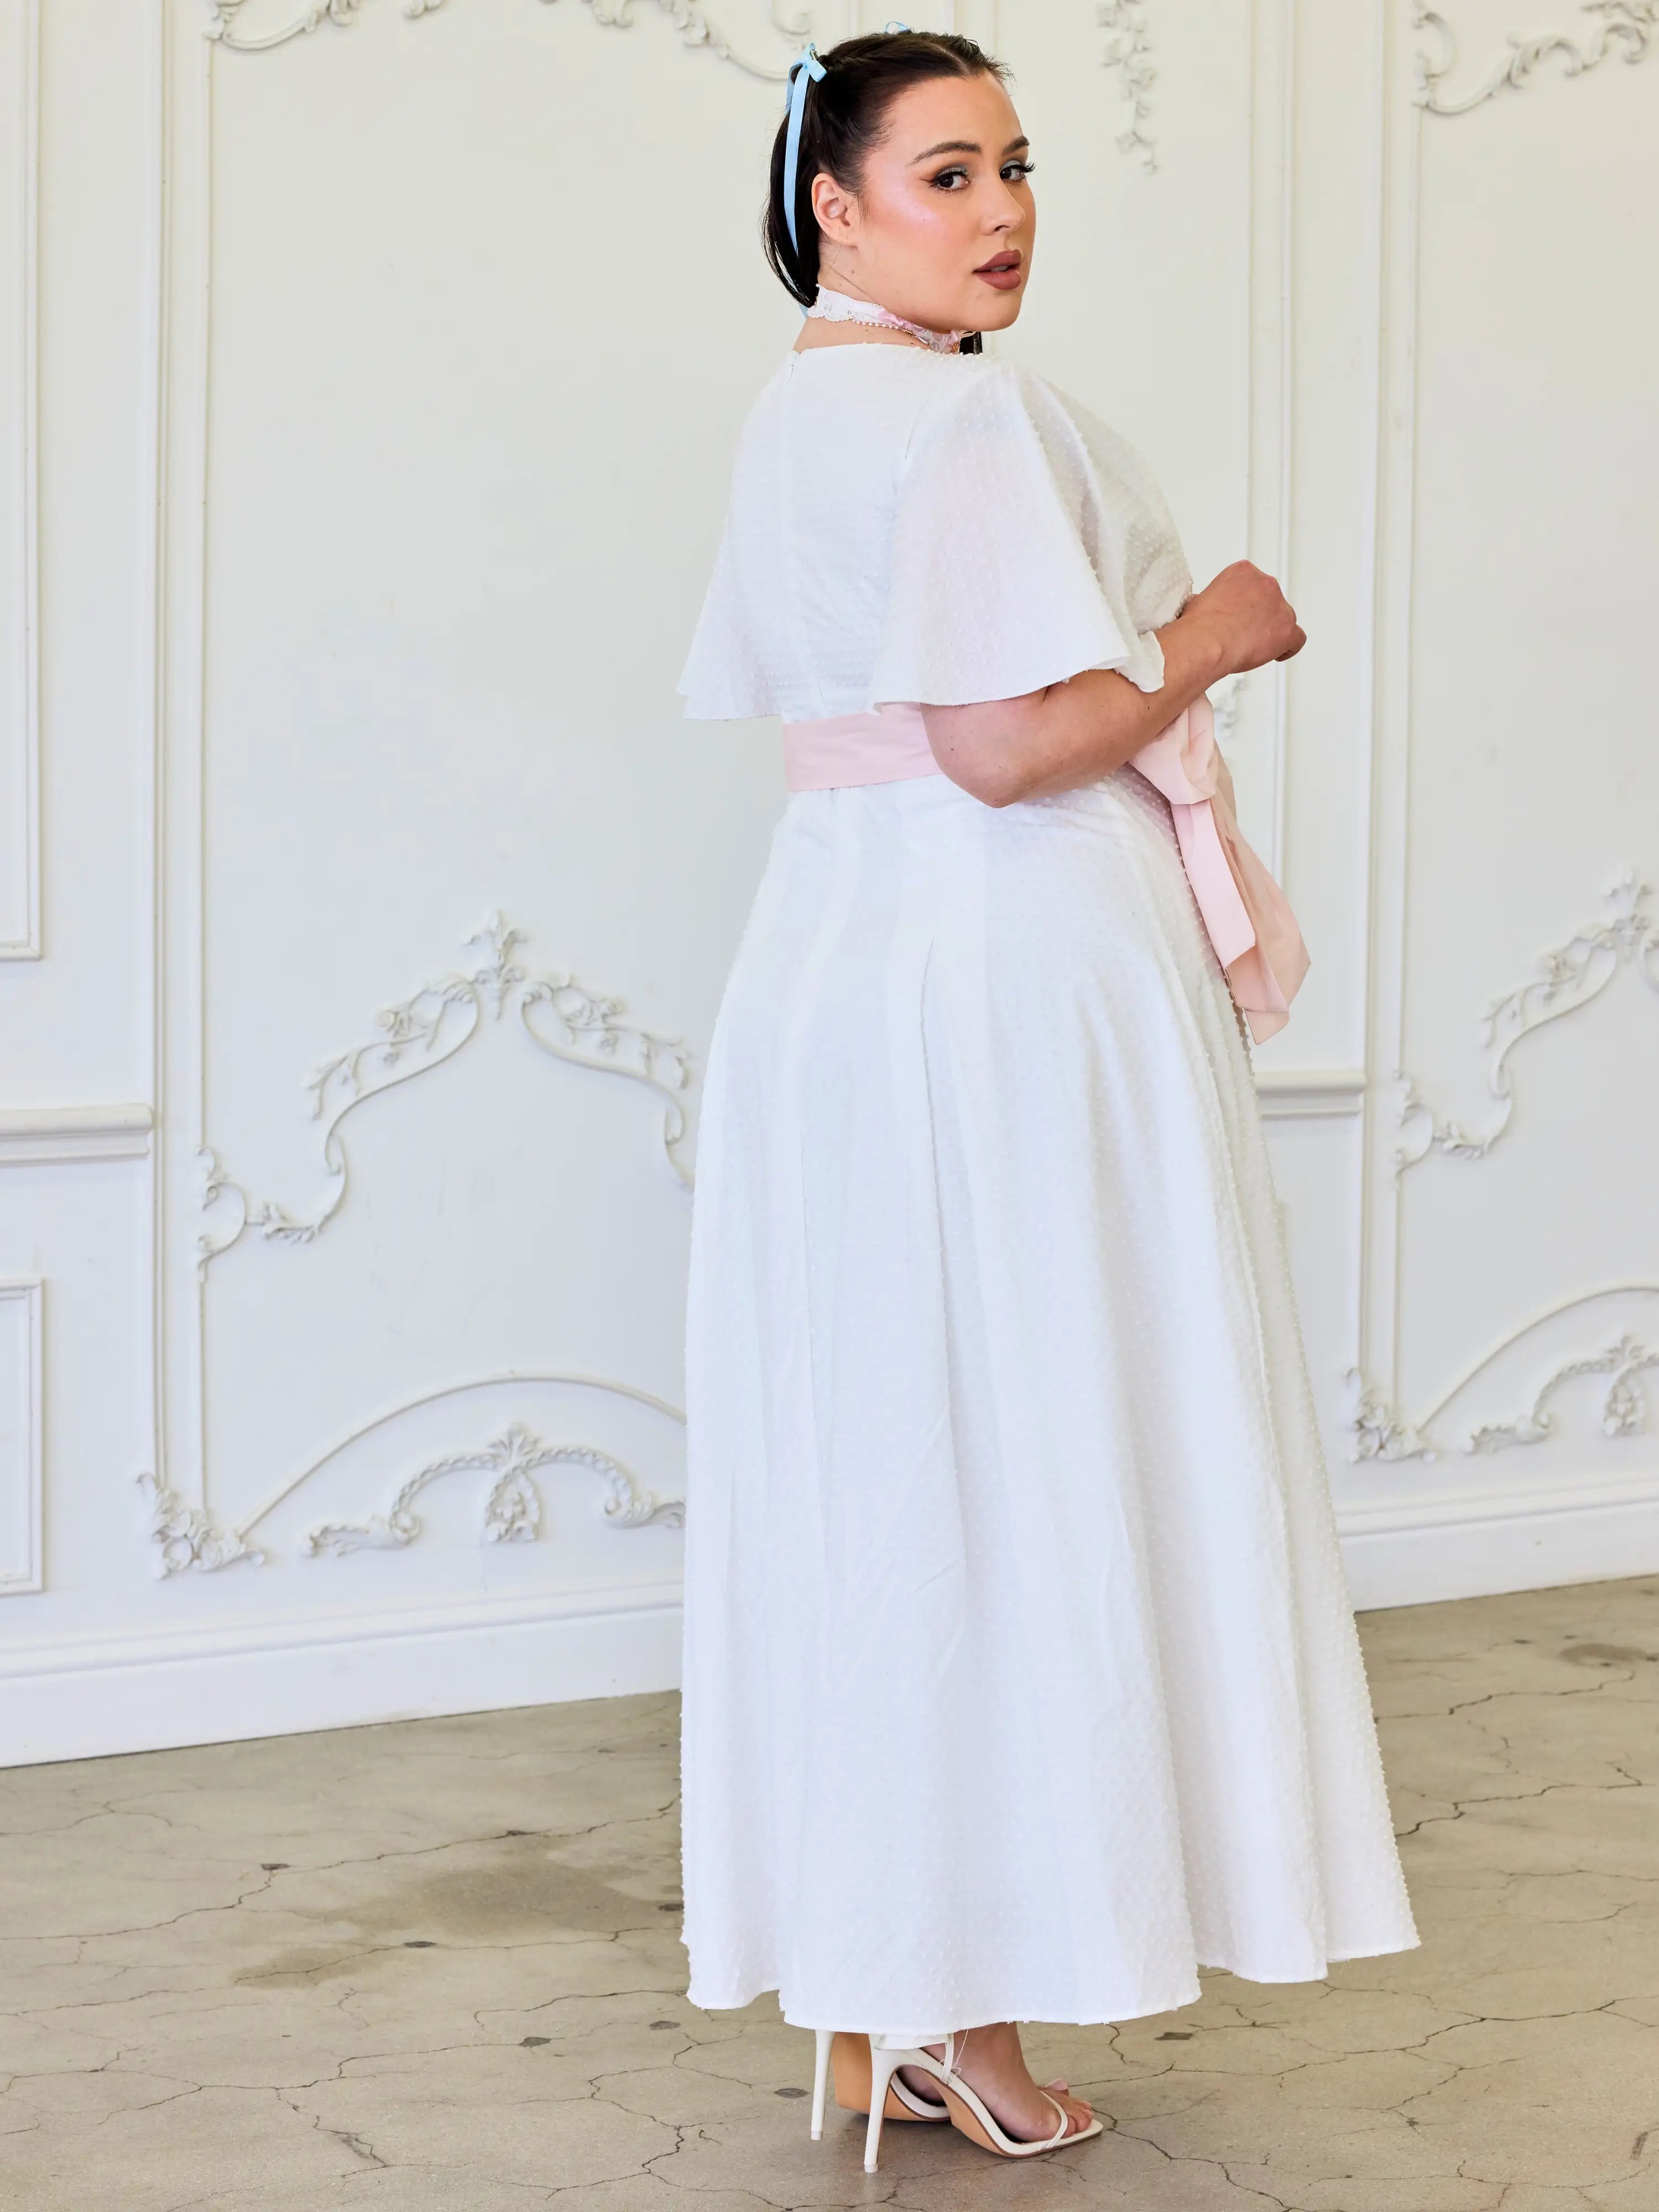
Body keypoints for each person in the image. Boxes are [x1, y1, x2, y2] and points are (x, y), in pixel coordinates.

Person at [675, 28, 1417, 2173]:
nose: (1000, 210)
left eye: (1017, 167)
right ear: (832, 196)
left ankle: (896, 1987)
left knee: (901, 1469)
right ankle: (955, 2009)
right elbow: (1006, 745)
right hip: (1003, 968)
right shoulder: (965, 408)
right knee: (1021, 1460)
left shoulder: (802, 410)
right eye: (944, 173)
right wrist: (1205, 641)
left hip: (838, 955)